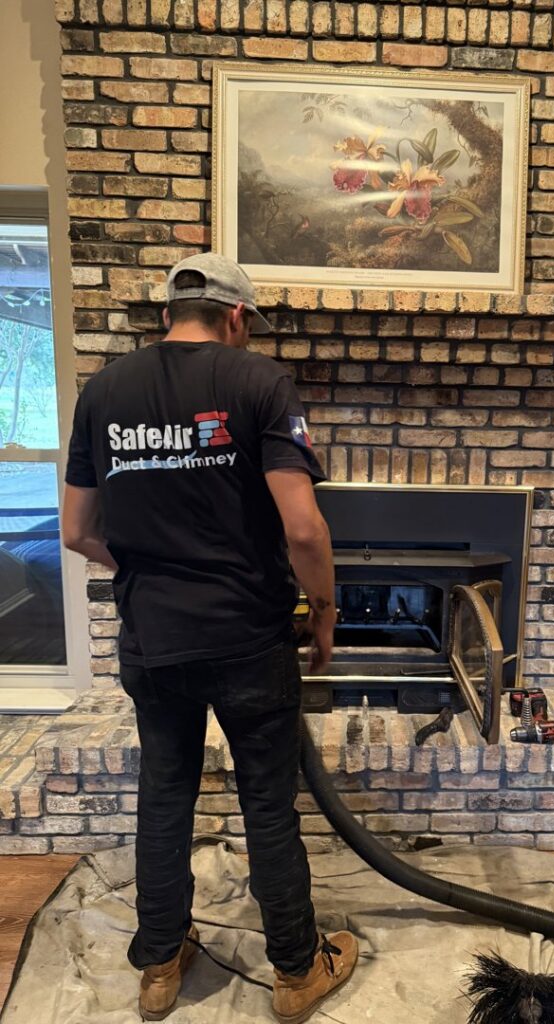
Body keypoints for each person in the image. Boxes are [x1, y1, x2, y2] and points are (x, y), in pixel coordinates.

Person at [61, 252, 358, 1023]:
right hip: (248, 638)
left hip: (153, 641)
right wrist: (323, 611)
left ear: (169, 313)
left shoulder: (103, 391)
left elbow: (75, 530)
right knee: (267, 802)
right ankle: (296, 972)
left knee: (163, 796)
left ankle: (159, 965)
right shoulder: (258, 383)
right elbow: (302, 525)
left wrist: (150, 570)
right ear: (236, 317)